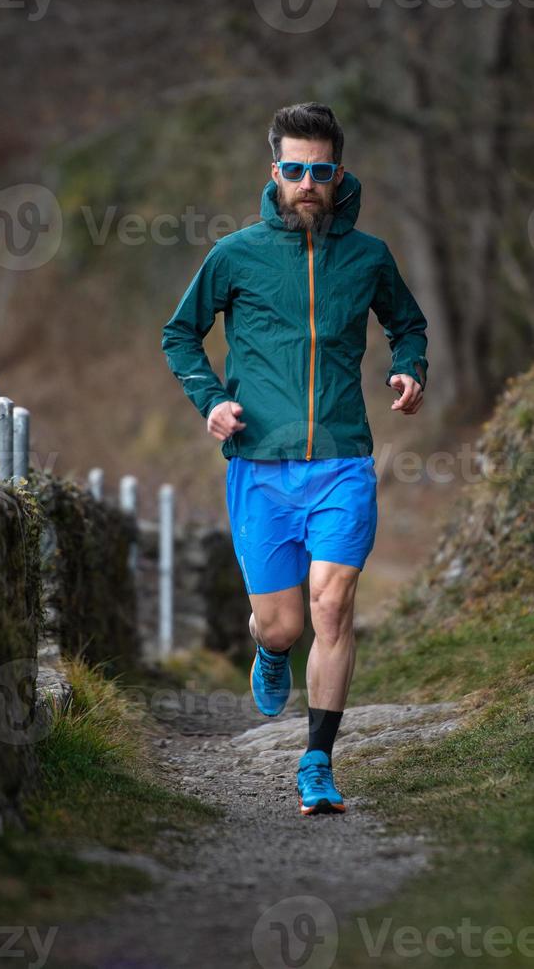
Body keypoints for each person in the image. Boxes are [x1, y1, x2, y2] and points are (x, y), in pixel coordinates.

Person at [161, 102, 428, 816]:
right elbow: (180, 336)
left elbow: (407, 323)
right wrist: (210, 401)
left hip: (342, 460)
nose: (307, 182)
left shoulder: (368, 257)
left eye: (320, 170)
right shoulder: (236, 255)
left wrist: (411, 367)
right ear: (273, 171)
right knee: (282, 623)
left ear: (338, 174)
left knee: (333, 606)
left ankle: (317, 761)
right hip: (259, 466)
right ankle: (271, 650)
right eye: (293, 169)